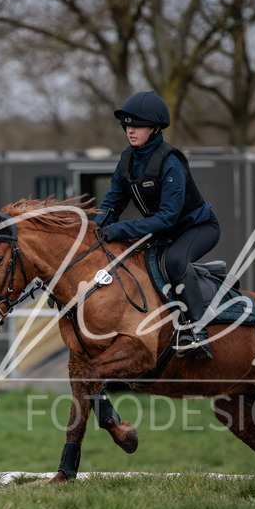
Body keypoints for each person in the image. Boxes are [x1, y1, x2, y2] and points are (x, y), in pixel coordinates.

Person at [93, 90, 220, 361]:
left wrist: (119, 230)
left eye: (137, 125)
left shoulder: (170, 161)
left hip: (197, 228)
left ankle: (198, 333)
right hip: (164, 234)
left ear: (155, 128)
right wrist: (97, 227)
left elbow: (167, 217)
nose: (130, 130)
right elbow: (112, 203)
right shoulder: (127, 159)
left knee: (175, 262)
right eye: (127, 124)